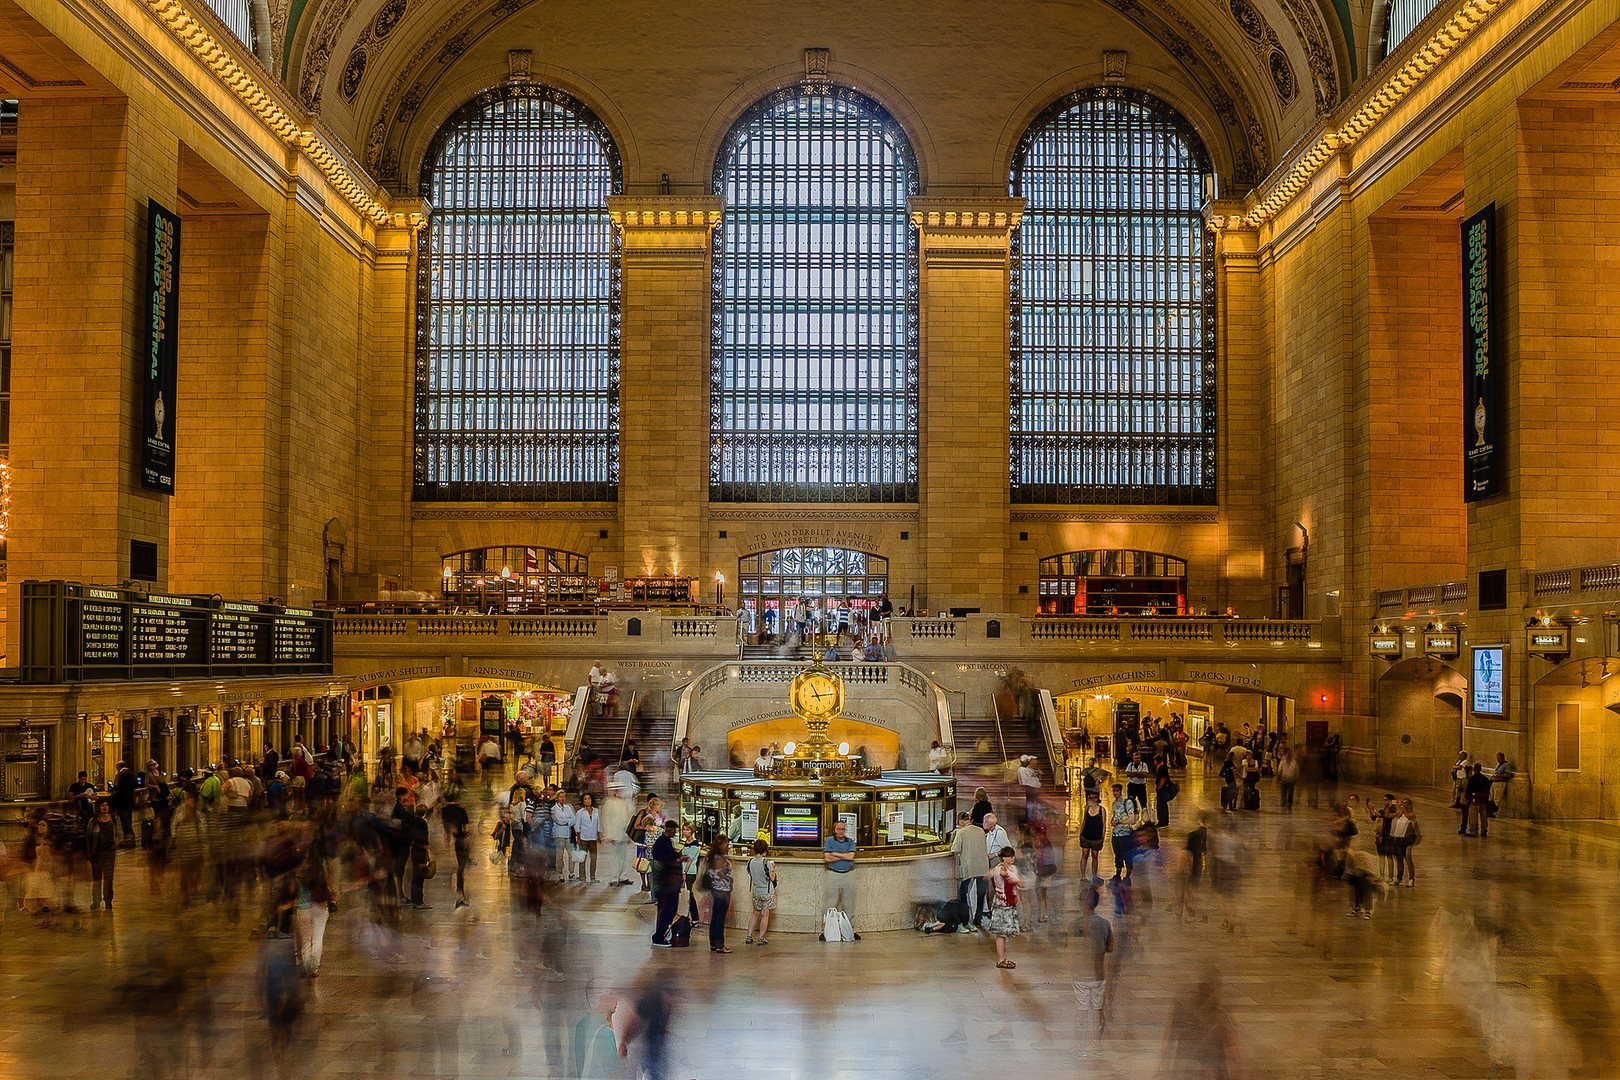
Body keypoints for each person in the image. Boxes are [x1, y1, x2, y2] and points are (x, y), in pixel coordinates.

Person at [1073, 887, 1113, 1056]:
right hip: (1099, 974)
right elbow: (1110, 948)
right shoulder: (1105, 924)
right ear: (1096, 903)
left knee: (1082, 1010)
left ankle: (1081, 1046)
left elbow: (1072, 948)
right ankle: (1096, 1045)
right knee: (1098, 1008)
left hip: (1080, 975)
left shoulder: (1074, 924)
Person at [821, 818, 859, 940]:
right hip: (833, 874)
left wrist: (835, 854)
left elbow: (851, 856)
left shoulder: (850, 842)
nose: (841, 831)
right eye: (839, 829)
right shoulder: (829, 841)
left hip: (848, 874)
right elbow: (827, 858)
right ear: (834, 830)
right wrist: (844, 856)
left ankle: (849, 931)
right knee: (829, 904)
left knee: (849, 905)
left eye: (843, 829)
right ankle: (825, 931)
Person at [950, 812, 986, 934]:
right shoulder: (981, 831)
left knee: (963, 894)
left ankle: (966, 921)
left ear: (960, 821)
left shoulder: (962, 832)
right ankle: (978, 919)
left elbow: (955, 849)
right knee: (980, 894)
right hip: (983, 867)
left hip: (969, 867)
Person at [650, 820, 683, 946]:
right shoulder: (661, 843)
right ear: (668, 829)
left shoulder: (666, 842)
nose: (676, 832)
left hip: (671, 884)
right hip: (666, 885)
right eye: (674, 829)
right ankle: (658, 937)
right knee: (665, 910)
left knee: (671, 910)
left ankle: (663, 934)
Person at [987, 846, 1021, 968]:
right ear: (1003, 857)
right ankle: (1001, 959)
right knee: (1001, 933)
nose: (1011, 858)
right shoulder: (1000, 869)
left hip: (1009, 903)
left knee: (1003, 933)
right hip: (1002, 904)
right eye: (1008, 856)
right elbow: (999, 874)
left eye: (1012, 856)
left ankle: (1002, 958)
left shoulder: (1012, 868)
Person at [439, 787, 471, 907]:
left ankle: (460, 893)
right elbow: (466, 828)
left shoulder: (444, 811)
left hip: (453, 842)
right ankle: (460, 893)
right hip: (461, 841)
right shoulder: (462, 810)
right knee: (461, 868)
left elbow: (445, 827)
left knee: (458, 867)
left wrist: (448, 843)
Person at [86, 800, 118, 910]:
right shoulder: (93, 821)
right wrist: (89, 852)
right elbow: (88, 837)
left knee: (109, 878)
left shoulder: (113, 819)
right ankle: (96, 900)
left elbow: (118, 833)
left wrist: (117, 842)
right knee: (97, 878)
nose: (105, 807)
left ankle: (108, 900)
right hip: (97, 853)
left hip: (110, 852)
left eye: (106, 805)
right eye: (102, 805)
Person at [705, 834, 734, 953]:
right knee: (720, 919)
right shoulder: (724, 861)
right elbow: (729, 876)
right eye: (726, 844)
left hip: (714, 890)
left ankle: (713, 943)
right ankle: (720, 944)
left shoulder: (709, 858)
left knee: (714, 917)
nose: (727, 846)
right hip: (724, 891)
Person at [1110, 784, 1139, 881]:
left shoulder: (1127, 802)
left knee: (1127, 854)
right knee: (1117, 854)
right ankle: (1117, 874)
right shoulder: (1114, 803)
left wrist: (1119, 822)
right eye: (1114, 791)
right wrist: (1113, 821)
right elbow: (1114, 815)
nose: (1115, 793)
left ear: (1121, 791)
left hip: (1125, 834)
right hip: (1116, 834)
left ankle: (1127, 876)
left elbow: (1131, 819)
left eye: (1117, 791)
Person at [1077, 788, 1106, 881]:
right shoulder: (1086, 809)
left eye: (1094, 798)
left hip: (1096, 837)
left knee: (1095, 856)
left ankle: (1094, 875)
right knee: (1084, 854)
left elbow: (1104, 824)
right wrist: (1080, 834)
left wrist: (1103, 837)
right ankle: (1083, 876)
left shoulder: (1102, 810)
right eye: (1090, 798)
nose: (1092, 800)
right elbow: (1084, 821)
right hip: (1086, 835)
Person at [1389, 798, 1418, 888]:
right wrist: (1393, 805)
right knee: (1399, 859)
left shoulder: (1411, 815)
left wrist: (1403, 808)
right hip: (1398, 838)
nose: (1403, 804)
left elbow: (1409, 817)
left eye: (1405, 803)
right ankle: (1399, 877)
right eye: (1403, 803)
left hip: (1408, 839)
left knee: (1408, 859)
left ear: (1409, 805)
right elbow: (1391, 815)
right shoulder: (1400, 814)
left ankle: (1411, 879)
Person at [574, 791, 600, 884]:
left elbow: (598, 824)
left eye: (589, 798)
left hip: (593, 837)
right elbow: (577, 826)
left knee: (593, 858)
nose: (587, 800)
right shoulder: (580, 812)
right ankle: (582, 877)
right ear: (583, 801)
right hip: (584, 838)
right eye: (585, 799)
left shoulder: (596, 811)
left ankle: (593, 877)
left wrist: (599, 835)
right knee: (583, 858)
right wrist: (578, 838)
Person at [1463, 763, 1492, 836]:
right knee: (1484, 816)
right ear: (1481, 769)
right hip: (1483, 799)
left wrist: (1467, 799)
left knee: (1473, 816)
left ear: (1474, 769)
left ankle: (1473, 832)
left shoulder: (1472, 779)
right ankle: (1484, 830)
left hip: (1475, 800)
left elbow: (1469, 790)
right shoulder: (1485, 778)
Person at [1017, 756, 1042, 821]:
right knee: (1032, 803)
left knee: (1032, 802)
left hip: (1032, 788)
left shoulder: (1026, 769)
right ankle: (1031, 817)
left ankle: (1032, 816)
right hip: (1030, 788)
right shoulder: (1023, 769)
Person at [1277, 745, 1300, 810]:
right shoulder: (1282, 762)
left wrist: (1297, 778)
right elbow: (1280, 770)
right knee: (1283, 793)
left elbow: (1296, 770)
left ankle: (1290, 804)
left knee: (1290, 793)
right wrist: (1279, 778)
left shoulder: (1294, 762)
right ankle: (1283, 803)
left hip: (1291, 780)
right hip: (1284, 779)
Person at [1153, 753, 1172, 828]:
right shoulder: (1160, 767)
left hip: (1162, 790)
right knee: (1161, 805)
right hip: (1161, 789)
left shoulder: (1162, 768)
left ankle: (1162, 821)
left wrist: (1159, 788)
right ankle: (1163, 821)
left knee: (1161, 805)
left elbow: (1164, 779)